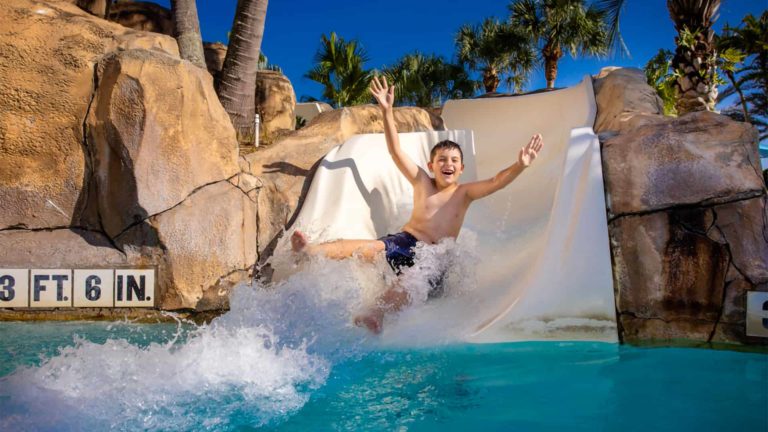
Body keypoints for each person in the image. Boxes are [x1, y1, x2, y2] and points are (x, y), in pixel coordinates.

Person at [291, 75, 544, 333]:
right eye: (442, 160)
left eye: (454, 160)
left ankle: (377, 314)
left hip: (436, 255)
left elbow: (497, 181)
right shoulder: (423, 182)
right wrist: (387, 112)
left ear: (462, 168)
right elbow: (395, 151)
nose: (448, 164)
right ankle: (311, 251)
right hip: (405, 241)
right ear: (431, 166)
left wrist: (520, 165)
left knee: (412, 278)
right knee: (368, 247)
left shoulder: (465, 192)